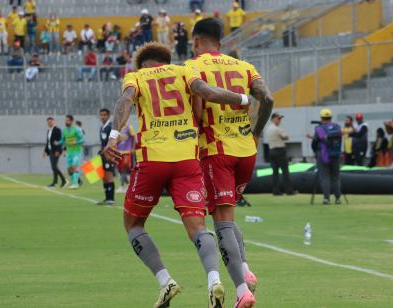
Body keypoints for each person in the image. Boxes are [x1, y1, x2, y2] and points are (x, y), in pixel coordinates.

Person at [102, 42, 253, 308]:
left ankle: (166, 282)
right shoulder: (184, 71)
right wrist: (242, 99)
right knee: (198, 228)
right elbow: (203, 97)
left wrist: (114, 137)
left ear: (143, 64)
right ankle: (214, 280)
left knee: (133, 224)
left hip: (153, 160)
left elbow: (125, 100)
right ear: (165, 59)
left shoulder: (136, 77)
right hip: (187, 160)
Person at [186, 17, 275, 307]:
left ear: (197, 41)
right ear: (221, 42)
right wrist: (257, 133)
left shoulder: (193, 65)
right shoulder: (244, 66)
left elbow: (203, 97)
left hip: (217, 152)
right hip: (246, 151)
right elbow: (268, 99)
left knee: (221, 221)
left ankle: (242, 292)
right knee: (230, 216)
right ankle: (246, 270)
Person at [308, 109, 342, 205]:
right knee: (336, 177)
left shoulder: (319, 128)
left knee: (324, 176)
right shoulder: (337, 127)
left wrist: (315, 151)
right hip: (336, 154)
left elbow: (314, 143)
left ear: (322, 118)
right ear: (330, 117)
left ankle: (326, 199)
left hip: (323, 154)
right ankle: (338, 199)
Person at [266, 113, 294, 196]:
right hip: (280, 151)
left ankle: (276, 191)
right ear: (273, 119)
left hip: (271, 151)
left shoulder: (268, 129)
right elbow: (286, 137)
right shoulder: (276, 129)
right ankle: (289, 190)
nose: (279, 120)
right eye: (278, 118)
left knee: (275, 172)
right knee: (285, 171)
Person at [60, 115, 84, 189]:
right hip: (69, 152)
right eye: (65, 120)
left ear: (72, 121)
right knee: (69, 169)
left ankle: (75, 183)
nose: (66, 122)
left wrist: (76, 142)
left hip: (77, 151)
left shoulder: (77, 129)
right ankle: (78, 180)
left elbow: (82, 140)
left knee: (74, 167)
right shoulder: (64, 130)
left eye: (68, 120)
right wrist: (57, 143)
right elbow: (62, 140)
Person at [97, 108, 116, 205]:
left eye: (104, 115)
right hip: (103, 155)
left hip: (109, 155)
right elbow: (103, 142)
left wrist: (109, 149)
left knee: (109, 176)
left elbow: (117, 139)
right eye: (101, 115)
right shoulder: (102, 127)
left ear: (108, 116)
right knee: (104, 176)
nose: (102, 117)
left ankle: (111, 198)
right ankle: (106, 197)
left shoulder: (110, 127)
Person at [43, 117, 66, 187]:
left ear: (54, 122)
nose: (49, 123)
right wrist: (45, 151)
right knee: (53, 167)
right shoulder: (48, 131)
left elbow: (60, 141)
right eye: (48, 122)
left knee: (54, 166)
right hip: (50, 151)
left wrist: (58, 151)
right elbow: (48, 142)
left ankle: (64, 180)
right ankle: (55, 182)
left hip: (56, 151)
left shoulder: (57, 130)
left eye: (50, 121)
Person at [115, 123, 135, 193]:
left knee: (124, 169)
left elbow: (133, 137)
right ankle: (128, 186)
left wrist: (133, 148)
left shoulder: (129, 127)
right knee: (120, 170)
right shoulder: (117, 127)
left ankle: (122, 186)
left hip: (126, 152)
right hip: (118, 152)